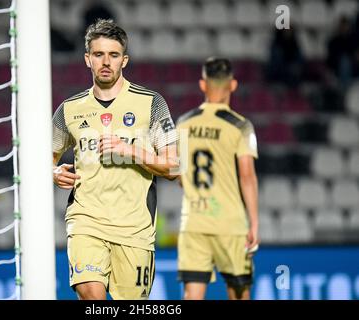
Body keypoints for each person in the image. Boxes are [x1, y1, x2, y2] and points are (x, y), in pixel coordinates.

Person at [52, 19, 179, 300]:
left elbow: (173, 166)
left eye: (113, 55)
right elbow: (46, 157)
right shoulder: (69, 109)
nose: (105, 62)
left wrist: (132, 150)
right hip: (86, 219)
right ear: (88, 59)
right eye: (98, 55)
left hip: (135, 228)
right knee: (91, 295)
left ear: (125, 60)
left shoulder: (152, 103)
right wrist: (52, 171)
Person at [176, 57, 259, 300]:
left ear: (203, 85)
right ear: (233, 85)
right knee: (239, 294)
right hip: (230, 224)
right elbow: (247, 177)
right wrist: (254, 223)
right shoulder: (241, 126)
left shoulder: (183, 123)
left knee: (192, 295)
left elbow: (178, 175)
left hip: (194, 222)